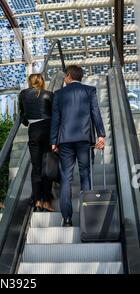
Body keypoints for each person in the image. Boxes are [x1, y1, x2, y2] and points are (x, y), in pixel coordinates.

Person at [50, 65, 105, 227]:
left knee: (66, 178)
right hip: (84, 140)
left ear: (68, 76)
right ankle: (87, 217)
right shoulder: (90, 91)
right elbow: (96, 113)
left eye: (64, 77)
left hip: (65, 141)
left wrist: (53, 141)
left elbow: (56, 119)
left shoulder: (59, 94)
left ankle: (67, 219)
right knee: (85, 175)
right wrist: (100, 135)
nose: (64, 80)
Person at [19, 73, 54, 212]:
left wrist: (27, 121)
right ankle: (47, 201)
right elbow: (55, 115)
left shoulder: (23, 94)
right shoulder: (49, 94)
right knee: (48, 165)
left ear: (30, 82)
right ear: (42, 81)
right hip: (48, 130)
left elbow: (23, 115)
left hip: (33, 131)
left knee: (36, 167)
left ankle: (37, 201)